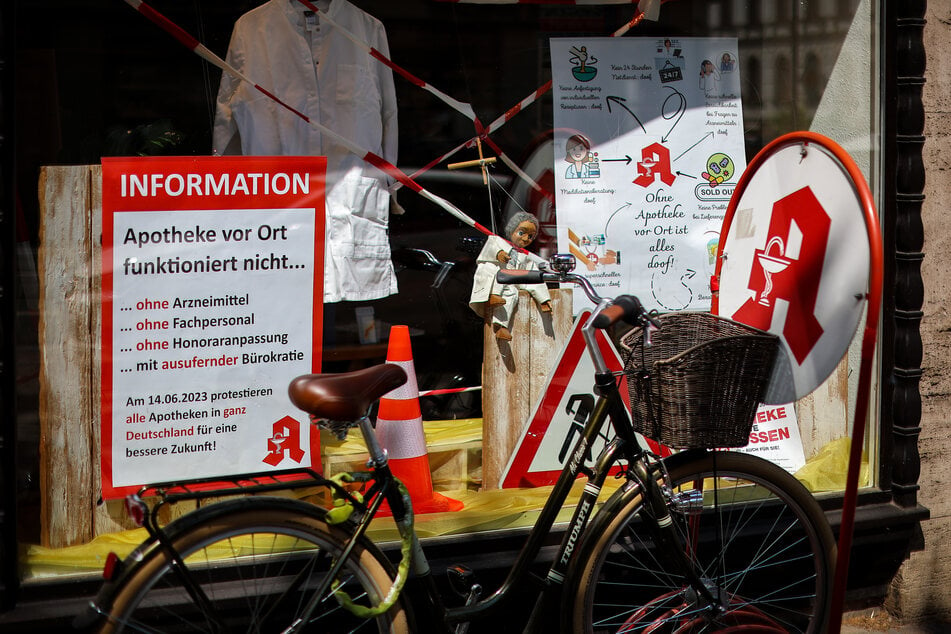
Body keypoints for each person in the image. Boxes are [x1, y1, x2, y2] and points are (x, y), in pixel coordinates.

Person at [469, 212, 551, 341]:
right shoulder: (498, 242)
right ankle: (491, 295)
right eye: (521, 233)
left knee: (512, 293)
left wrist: (543, 299)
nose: (525, 239)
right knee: (492, 269)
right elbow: (489, 251)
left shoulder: (525, 257)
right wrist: (498, 254)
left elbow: (533, 277)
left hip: (509, 283)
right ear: (512, 230)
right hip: (493, 279)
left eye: (530, 236)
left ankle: (502, 327)